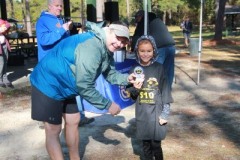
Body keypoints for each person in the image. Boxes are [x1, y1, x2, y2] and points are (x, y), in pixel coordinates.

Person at [30, 21, 138, 159]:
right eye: (118, 38)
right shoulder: (92, 46)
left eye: (124, 42)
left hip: (68, 84)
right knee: (53, 129)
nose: (119, 44)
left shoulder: (106, 48)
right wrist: (108, 105)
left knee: (73, 120)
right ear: (109, 31)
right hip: (48, 83)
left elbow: (110, 74)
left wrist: (128, 79)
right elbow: (84, 86)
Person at [36, 0, 94, 127]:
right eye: (57, 6)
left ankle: (79, 116)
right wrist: (62, 29)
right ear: (49, 6)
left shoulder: (60, 20)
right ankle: (46, 118)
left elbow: (65, 41)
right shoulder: (42, 21)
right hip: (49, 64)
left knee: (72, 88)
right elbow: (44, 40)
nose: (60, 8)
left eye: (61, 6)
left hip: (64, 62)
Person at [127, 35, 173, 160]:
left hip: (157, 113)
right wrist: (135, 88)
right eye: (142, 51)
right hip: (143, 114)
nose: (145, 54)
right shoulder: (134, 70)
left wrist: (165, 114)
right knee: (146, 145)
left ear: (154, 51)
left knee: (156, 144)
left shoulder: (159, 68)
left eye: (149, 51)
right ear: (137, 51)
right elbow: (131, 94)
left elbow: (165, 91)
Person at [131, 10, 176, 88]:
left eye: (137, 19)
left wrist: (133, 49)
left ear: (140, 16)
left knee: (155, 70)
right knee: (168, 70)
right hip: (171, 46)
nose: (137, 22)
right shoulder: (157, 20)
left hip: (159, 47)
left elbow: (137, 36)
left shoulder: (144, 21)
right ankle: (167, 92)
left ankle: (155, 92)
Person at [0, 19, 12, 88]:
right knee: (1, 63)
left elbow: (8, 24)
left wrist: (4, 27)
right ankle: (0, 79)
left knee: (5, 61)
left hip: (4, 44)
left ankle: (5, 78)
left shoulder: (1, 21)